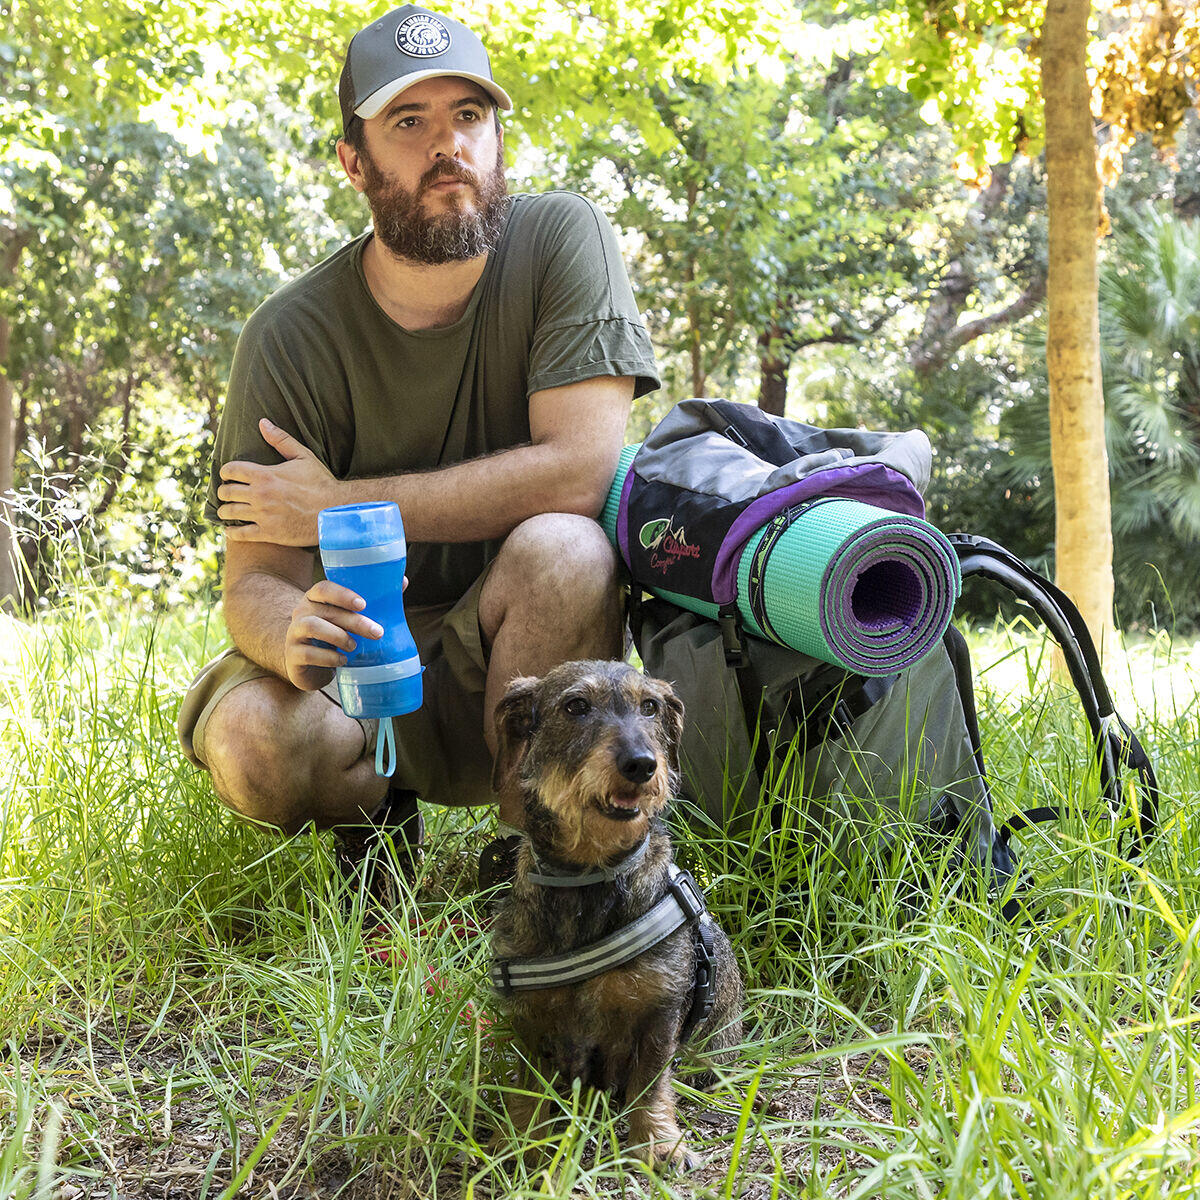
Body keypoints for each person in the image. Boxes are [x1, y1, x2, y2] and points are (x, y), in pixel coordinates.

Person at [176, 4, 660, 894]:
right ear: (353, 160)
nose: (450, 146)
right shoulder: (287, 336)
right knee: (252, 743)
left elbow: (580, 469)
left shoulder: (562, 240)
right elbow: (252, 579)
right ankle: (374, 830)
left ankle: (532, 865)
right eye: (410, 122)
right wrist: (291, 634)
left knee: (568, 547)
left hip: (513, 640)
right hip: (354, 663)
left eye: (468, 116)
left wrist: (340, 504)